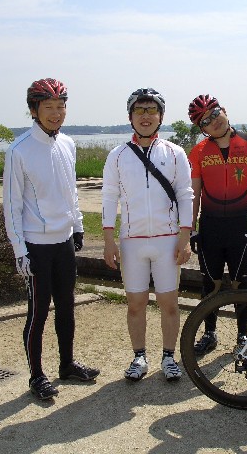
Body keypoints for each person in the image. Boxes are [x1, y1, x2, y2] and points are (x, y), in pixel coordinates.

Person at [3, 78, 100, 401]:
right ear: (34, 110)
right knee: (38, 312)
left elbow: (71, 192)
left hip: (64, 241)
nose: (56, 113)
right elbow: (12, 206)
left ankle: (67, 364)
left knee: (67, 307)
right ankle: (36, 376)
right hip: (36, 246)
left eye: (61, 106)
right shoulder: (19, 150)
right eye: (49, 107)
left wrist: (78, 226)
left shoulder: (68, 144)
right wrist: (19, 250)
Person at [101, 88, 194, 382]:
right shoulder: (117, 155)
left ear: (160, 116)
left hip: (167, 240)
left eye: (151, 110)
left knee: (169, 304)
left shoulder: (175, 152)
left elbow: (186, 194)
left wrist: (185, 237)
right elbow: (109, 197)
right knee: (135, 304)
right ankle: (139, 356)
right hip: (132, 242)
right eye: (139, 110)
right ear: (130, 116)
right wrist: (108, 240)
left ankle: (169, 357)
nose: (145, 116)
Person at [187, 94, 247, 354]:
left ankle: (243, 337)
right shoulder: (198, 151)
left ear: (224, 110)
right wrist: (192, 229)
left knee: (242, 284)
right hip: (211, 226)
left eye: (215, 113)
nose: (213, 121)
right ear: (202, 129)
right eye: (205, 121)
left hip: (241, 225)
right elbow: (194, 193)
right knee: (211, 283)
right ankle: (209, 333)